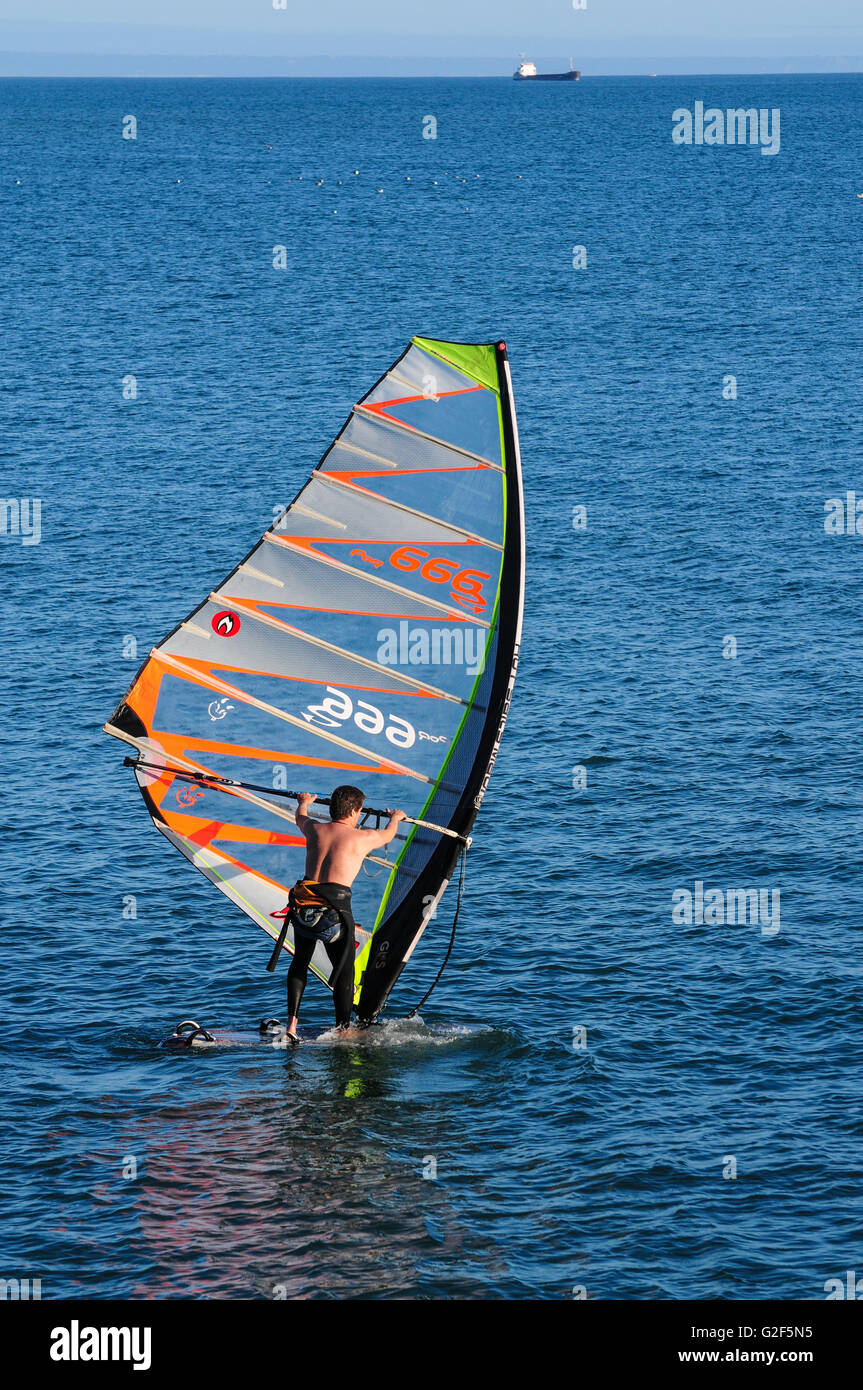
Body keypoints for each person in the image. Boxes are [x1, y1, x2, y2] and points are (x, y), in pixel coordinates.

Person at [283, 785, 406, 1040]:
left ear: (331, 808)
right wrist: (395, 818)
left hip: (303, 911)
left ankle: (291, 1026)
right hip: (333, 917)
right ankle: (343, 1029)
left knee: (299, 964)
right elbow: (388, 835)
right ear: (356, 811)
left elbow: (300, 818)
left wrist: (303, 802)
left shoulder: (314, 829)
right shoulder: (362, 838)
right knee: (344, 970)